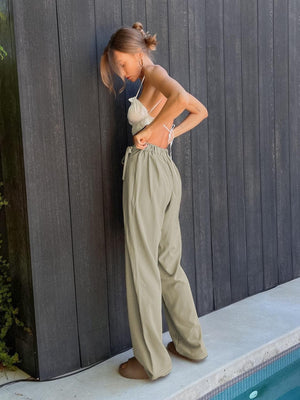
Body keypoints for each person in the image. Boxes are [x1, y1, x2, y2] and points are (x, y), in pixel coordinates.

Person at [100, 22, 208, 381]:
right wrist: (170, 131)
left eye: (122, 63)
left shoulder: (155, 73)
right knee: (167, 263)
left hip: (147, 171)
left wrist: (149, 130)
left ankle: (150, 362)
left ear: (136, 51)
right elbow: (198, 109)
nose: (122, 71)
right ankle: (190, 344)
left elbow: (180, 99)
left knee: (143, 265)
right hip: (165, 170)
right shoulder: (153, 79)